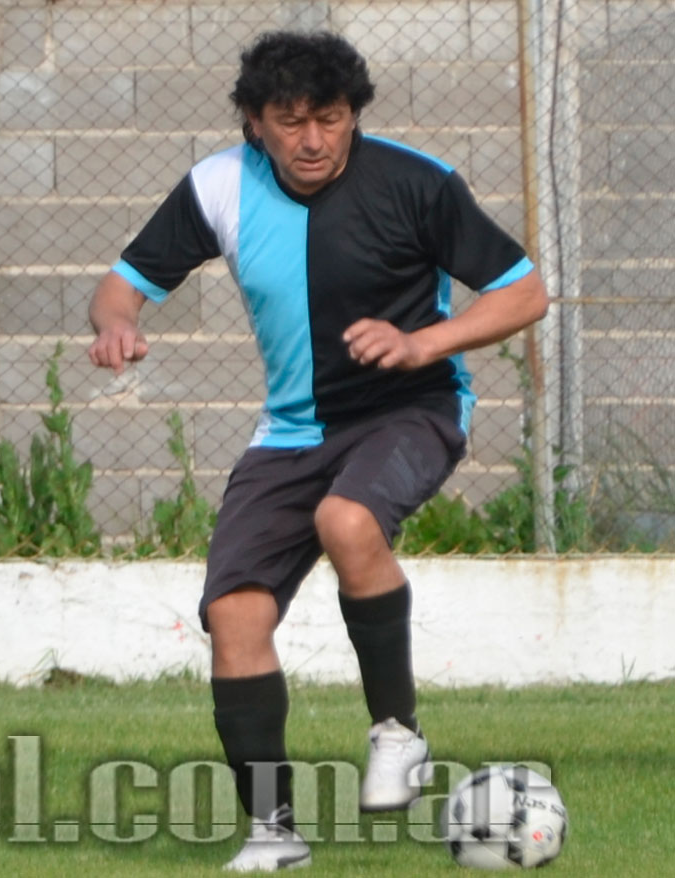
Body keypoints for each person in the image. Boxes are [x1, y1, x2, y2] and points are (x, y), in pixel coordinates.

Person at [87, 30, 548, 872]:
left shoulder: (416, 182)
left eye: (328, 119)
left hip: (410, 408)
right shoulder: (217, 184)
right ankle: (273, 832)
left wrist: (422, 343)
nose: (310, 140)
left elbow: (524, 292)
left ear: (352, 117)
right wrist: (117, 323)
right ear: (254, 122)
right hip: (291, 432)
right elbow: (122, 283)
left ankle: (396, 732)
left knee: (347, 520)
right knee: (233, 615)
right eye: (289, 121)